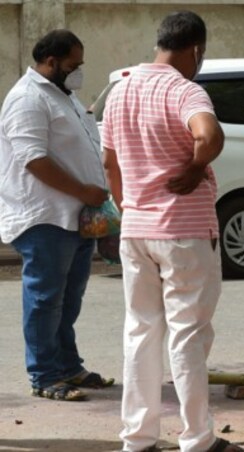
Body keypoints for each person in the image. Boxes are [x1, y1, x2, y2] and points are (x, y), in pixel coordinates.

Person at [102, 11, 242, 452]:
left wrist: (128, 205)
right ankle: (197, 439)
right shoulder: (185, 90)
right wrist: (196, 166)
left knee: (140, 333)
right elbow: (209, 134)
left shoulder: (118, 90)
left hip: (136, 231)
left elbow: (109, 162)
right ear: (196, 49)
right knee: (188, 335)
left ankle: (138, 439)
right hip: (183, 231)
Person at [0, 29, 112, 402]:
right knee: (46, 299)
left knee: (69, 298)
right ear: (50, 62)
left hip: (76, 216)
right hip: (45, 217)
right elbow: (33, 159)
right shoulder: (27, 99)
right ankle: (44, 375)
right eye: (72, 65)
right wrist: (83, 190)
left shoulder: (64, 95)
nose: (78, 71)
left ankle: (67, 366)